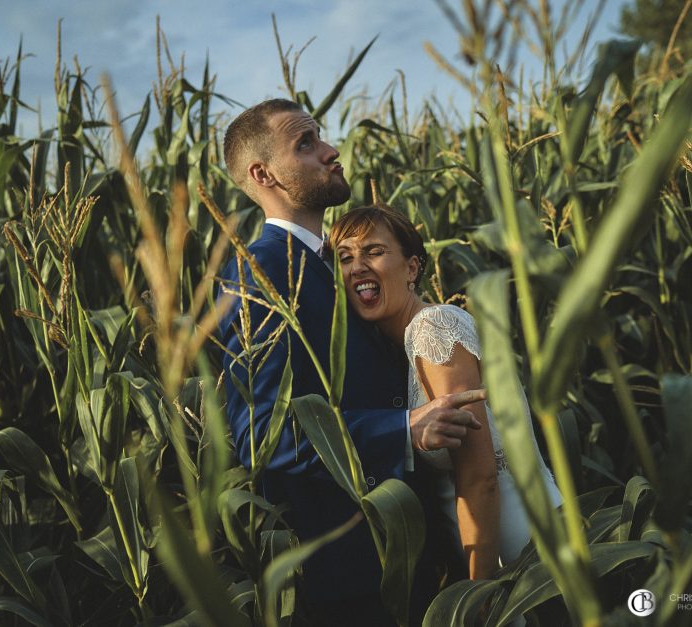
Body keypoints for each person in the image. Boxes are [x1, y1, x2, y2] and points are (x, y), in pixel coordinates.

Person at [217, 99, 486, 625]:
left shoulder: (337, 261)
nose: (331, 150)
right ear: (263, 174)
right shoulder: (259, 271)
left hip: (408, 549)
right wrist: (402, 428)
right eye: (306, 144)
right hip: (344, 572)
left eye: (321, 137)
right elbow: (260, 430)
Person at [329, 205, 564, 578]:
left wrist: (478, 592)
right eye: (345, 258)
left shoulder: (433, 327)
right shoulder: (399, 349)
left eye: (373, 251)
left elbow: (480, 476)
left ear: (411, 268)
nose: (357, 266)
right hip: (492, 546)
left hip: (520, 548)